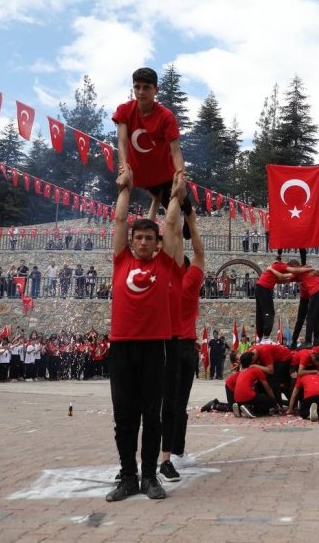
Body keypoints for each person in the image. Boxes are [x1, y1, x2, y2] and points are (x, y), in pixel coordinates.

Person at [105, 168, 185, 503]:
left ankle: (150, 476)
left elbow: (172, 227)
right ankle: (127, 476)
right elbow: (121, 219)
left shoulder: (164, 265)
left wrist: (176, 195)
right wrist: (126, 185)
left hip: (154, 348)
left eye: (148, 238)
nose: (141, 241)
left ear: (156, 244)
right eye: (137, 237)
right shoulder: (120, 260)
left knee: (152, 416)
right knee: (124, 417)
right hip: (121, 348)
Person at [112, 67, 192, 239]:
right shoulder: (125, 110)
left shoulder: (166, 116)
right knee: (124, 188)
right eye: (137, 87)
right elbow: (122, 142)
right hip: (139, 173)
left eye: (146, 87)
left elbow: (176, 150)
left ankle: (190, 221)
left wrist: (180, 177)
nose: (141, 92)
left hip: (165, 174)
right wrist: (124, 170)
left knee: (182, 203)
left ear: (156, 89)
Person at [159, 207, 206, 483]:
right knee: (180, 402)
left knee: (167, 402)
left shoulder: (169, 281)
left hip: (167, 345)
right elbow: (199, 254)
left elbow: (171, 243)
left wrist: (174, 216)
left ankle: (169, 452)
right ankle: (176, 452)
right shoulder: (190, 281)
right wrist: (191, 221)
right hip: (186, 347)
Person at [254, 253, 292, 341]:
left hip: (259, 288)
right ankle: (266, 336)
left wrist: (286, 280)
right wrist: (292, 276)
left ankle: (260, 335)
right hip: (265, 289)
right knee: (269, 312)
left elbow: (278, 280)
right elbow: (282, 276)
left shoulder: (273, 266)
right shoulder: (280, 266)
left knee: (260, 312)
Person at [233, 352, 281, 418]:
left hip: (236, 397)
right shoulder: (256, 370)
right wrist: (275, 401)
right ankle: (248, 408)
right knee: (268, 400)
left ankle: (241, 406)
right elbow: (267, 388)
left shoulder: (242, 371)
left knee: (256, 398)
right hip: (248, 396)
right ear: (252, 361)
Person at [287, 354, 319, 421]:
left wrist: (290, 409)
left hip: (310, 396)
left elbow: (294, 394)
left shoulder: (301, 377)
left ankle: (309, 413)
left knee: (303, 412)